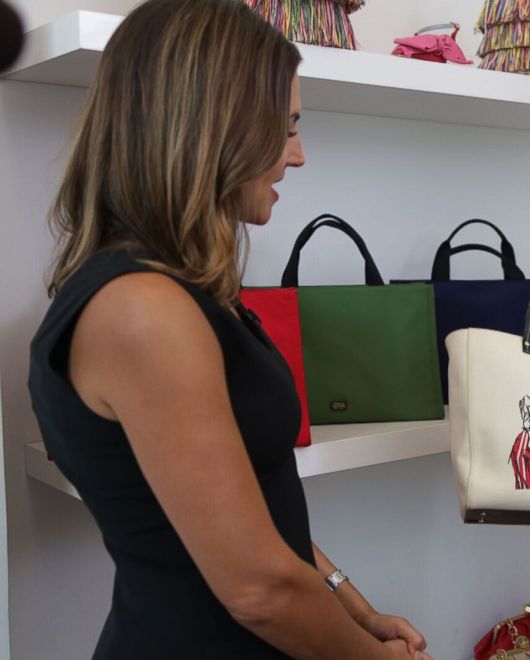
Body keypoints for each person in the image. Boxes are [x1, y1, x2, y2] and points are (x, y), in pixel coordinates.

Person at [27, 1, 431, 658]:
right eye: (287, 127)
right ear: (215, 126)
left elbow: (250, 502)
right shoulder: (143, 310)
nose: (297, 156)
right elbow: (259, 591)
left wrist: (350, 605)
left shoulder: (173, 292)